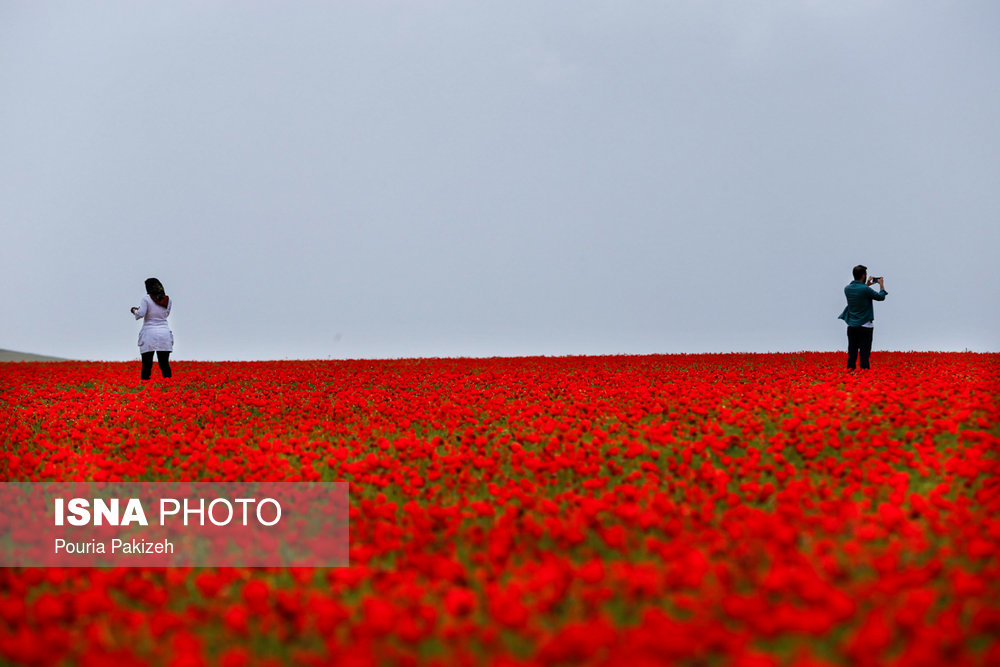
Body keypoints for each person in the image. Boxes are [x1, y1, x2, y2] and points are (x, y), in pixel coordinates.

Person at [838, 265, 887, 370]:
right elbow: (880, 297)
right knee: (864, 355)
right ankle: (864, 377)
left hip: (852, 326)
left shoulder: (847, 289)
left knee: (852, 353)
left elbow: (860, 292)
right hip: (865, 326)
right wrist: (881, 285)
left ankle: (850, 377)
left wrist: (867, 285)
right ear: (864, 275)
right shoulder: (865, 289)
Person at [131, 277, 173, 380]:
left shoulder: (146, 299)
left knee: (147, 364)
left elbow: (141, 314)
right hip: (164, 333)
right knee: (164, 364)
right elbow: (166, 314)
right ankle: (168, 384)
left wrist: (134, 311)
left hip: (149, 333)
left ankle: (145, 383)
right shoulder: (168, 300)